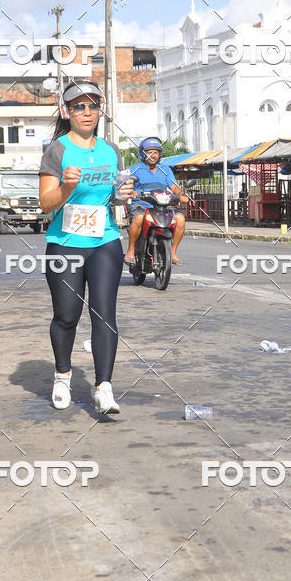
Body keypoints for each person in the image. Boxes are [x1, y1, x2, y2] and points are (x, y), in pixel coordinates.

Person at [39, 80, 134, 415]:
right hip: (65, 245)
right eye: (79, 106)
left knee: (104, 315)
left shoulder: (110, 150)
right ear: (67, 111)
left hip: (105, 241)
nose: (87, 112)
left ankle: (103, 387)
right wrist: (66, 186)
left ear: (100, 109)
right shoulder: (58, 150)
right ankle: (62, 375)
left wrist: (121, 196)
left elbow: (112, 195)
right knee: (67, 316)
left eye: (93, 105)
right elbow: (45, 204)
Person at [124, 137, 189, 266]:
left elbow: (174, 187)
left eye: (156, 152)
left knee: (180, 218)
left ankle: (173, 252)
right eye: (149, 152)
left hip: (162, 206)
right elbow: (124, 183)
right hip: (141, 204)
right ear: (143, 154)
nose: (153, 155)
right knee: (139, 218)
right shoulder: (134, 169)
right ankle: (130, 251)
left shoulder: (165, 169)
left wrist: (181, 195)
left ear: (160, 154)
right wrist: (131, 191)